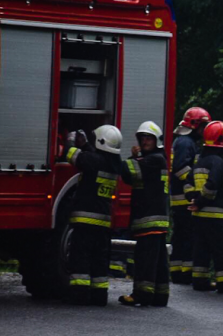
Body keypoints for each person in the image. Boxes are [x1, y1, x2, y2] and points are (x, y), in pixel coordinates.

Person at [63, 125, 123, 306]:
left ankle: (79, 296)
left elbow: (71, 155)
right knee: (99, 260)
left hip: (84, 221)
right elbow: (94, 158)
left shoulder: (93, 160)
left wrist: (70, 140)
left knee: (80, 258)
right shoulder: (114, 164)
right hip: (103, 223)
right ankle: (99, 297)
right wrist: (87, 144)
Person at [186, 121, 223, 295]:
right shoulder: (217, 162)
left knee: (201, 248)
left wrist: (194, 199)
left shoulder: (199, 161)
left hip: (198, 216)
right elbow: (212, 186)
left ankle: (200, 280)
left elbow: (188, 184)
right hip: (216, 216)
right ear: (221, 140)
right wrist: (202, 200)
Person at [118, 121, 171, 307]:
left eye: (148, 138)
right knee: (158, 260)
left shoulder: (154, 159)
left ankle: (142, 295)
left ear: (157, 141)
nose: (144, 141)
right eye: (142, 138)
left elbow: (127, 170)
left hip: (150, 219)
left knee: (145, 259)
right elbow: (130, 177)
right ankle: (160, 294)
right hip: (155, 219)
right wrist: (136, 157)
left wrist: (126, 157)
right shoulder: (154, 159)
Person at [169, 107, 211, 285]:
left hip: (180, 198)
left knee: (181, 235)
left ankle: (178, 271)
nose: (205, 130)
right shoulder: (186, 142)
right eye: (203, 126)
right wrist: (194, 186)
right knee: (187, 236)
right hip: (184, 198)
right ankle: (185, 272)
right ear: (194, 125)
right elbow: (181, 168)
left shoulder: (185, 141)